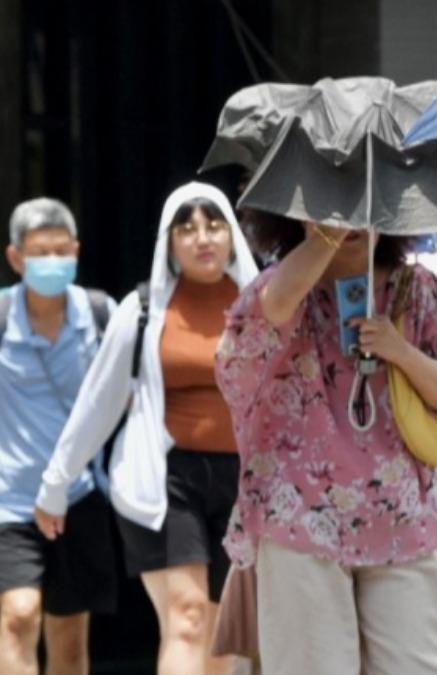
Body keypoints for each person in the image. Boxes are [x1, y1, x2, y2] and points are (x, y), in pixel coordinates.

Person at [214, 210, 437, 674]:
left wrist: (399, 351)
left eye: (364, 202)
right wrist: (325, 238)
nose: (350, 214)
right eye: (324, 202)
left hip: (400, 517)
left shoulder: (415, 289)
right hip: (299, 517)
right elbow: (238, 359)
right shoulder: (277, 288)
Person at [34, 182, 259, 675]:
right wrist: (56, 484)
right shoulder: (141, 311)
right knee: (187, 617)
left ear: (232, 234)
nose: (203, 238)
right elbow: (98, 403)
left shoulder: (263, 306)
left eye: (214, 225)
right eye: (188, 228)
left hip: (246, 484)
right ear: (169, 241)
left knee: (223, 632)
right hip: (164, 480)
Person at [0, 197, 117, 675]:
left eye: (59, 251)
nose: (51, 262)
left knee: (69, 636)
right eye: (38, 253)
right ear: (15, 258)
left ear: (75, 251)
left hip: (79, 495)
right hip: (11, 499)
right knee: (18, 615)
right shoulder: (2, 316)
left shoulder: (101, 314)